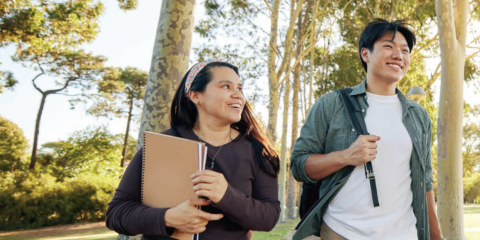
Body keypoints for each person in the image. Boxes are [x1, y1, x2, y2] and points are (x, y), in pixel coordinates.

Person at [290, 19, 445, 240]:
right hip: (341, 232)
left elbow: (424, 180)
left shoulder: (418, 116)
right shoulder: (332, 104)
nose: (398, 55)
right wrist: (345, 156)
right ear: (365, 54)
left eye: (405, 50)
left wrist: (437, 236)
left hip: (404, 235)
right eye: (389, 47)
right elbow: (298, 165)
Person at [106, 59, 280, 240]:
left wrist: (226, 195)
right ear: (196, 96)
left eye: (240, 88)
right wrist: (167, 218)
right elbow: (116, 214)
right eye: (226, 87)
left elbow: (269, 218)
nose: (238, 95)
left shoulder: (258, 151)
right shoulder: (162, 144)